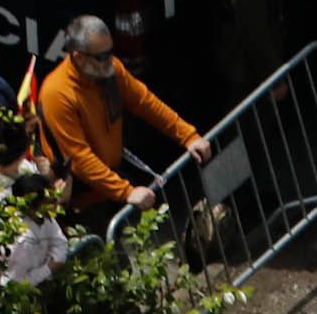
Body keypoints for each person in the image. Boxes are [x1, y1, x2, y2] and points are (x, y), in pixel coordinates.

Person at [25, 17, 196, 219]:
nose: (109, 61)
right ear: (78, 57)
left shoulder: (110, 71)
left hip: (110, 182)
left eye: (109, 52)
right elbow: (80, 158)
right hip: (81, 198)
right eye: (101, 56)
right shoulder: (58, 93)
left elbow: (144, 102)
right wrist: (126, 192)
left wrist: (188, 136)